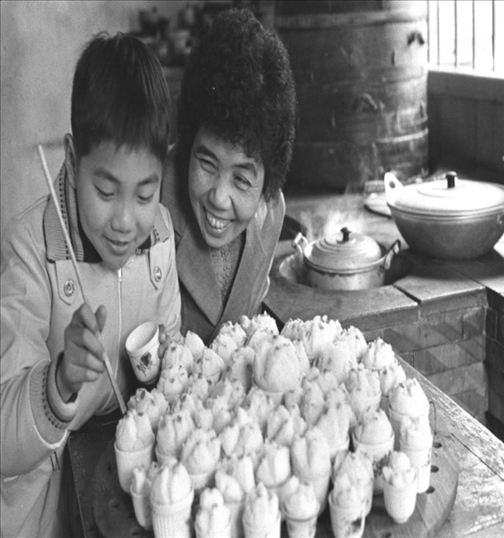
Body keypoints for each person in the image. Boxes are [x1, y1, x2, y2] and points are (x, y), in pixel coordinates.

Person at [0, 32, 181, 538]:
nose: (125, 221)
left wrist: (167, 365)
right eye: (105, 190)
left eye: (144, 195)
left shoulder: (161, 237)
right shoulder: (29, 249)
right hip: (40, 515)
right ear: (73, 158)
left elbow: (170, 369)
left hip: (124, 498)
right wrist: (58, 383)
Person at [162, 7, 297, 343]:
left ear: (266, 181)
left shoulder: (272, 213)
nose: (219, 198)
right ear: (189, 141)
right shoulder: (151, 200)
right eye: (207, 164)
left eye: (241, 180)